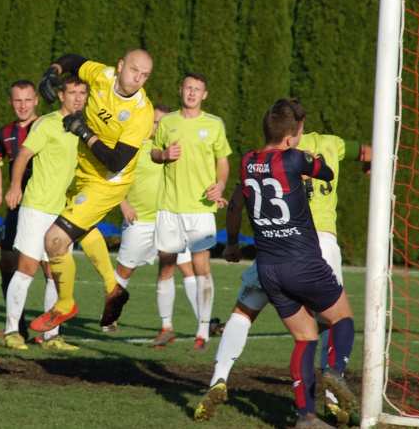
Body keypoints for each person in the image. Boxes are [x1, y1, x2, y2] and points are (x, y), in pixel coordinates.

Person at [194, 130, 371, 423]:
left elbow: (238, 202)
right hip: (320, 245)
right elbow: (367, 150)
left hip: (277, 248)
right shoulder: (332, 143)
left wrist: (233, 243)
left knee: (245, 311)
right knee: (332, 319)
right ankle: (332, 397)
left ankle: (219, 378)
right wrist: (370, 163)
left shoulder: (264, 158)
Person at [30, 50, 154, 332]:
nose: (138, 79)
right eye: (134, 70)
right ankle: (113, 288)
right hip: (84, 169)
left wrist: (83, 132)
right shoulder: (103, 74)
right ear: (120, 65)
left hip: (109, 180)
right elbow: (73, 59)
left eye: (145, 75)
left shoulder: (141, 112)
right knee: (83, 228)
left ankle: (65, 304)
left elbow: (116, 161)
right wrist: (54, 71)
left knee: (55, 240)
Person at [0, 76, 88, 351]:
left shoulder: (85, 128)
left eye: (82, 93)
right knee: (26, 268)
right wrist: (14, 186)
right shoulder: (47, 123)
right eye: (72, 92)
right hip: (36, 207)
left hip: (62, 211)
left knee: (55, 273)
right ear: (61, 95)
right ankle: (12, 330)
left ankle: (51, 336)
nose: (78, 97)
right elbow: (23, 155)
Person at [151, 73, 231, 350]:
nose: (192, 93)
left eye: (197, 89)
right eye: (188, 88)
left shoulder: (214, 124)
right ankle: (166, 327)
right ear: (180, 90)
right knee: (166, 266)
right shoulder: (168, 122)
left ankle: (202, 331)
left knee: (201, 266)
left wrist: (220, 185)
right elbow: (154, 152)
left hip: (200, 208)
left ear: (205, 94)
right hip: (169, 207)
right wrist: (163, 155)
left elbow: (223, 161)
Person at [108, 103, 195, 337]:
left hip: (168, 220)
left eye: (163, 123)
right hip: (139, 222)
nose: (159, 126)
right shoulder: (134, 148)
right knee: (124, 272)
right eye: (155, 122)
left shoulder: (176, 149)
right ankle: (110, 316)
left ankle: (171, 326)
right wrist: (123, 203)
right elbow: (113, 177)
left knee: (175, 269)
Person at [0, 81, 39, 338]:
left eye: (27, 100)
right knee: (6, 262)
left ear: (36, 100)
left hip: (43, 205)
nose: (23, 105)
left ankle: (53, 332)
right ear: (11, 102)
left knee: (48, 267)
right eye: (18, 100)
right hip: (17, 207)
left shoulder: (46, 126)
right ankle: (19, 327)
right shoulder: (5, 133)